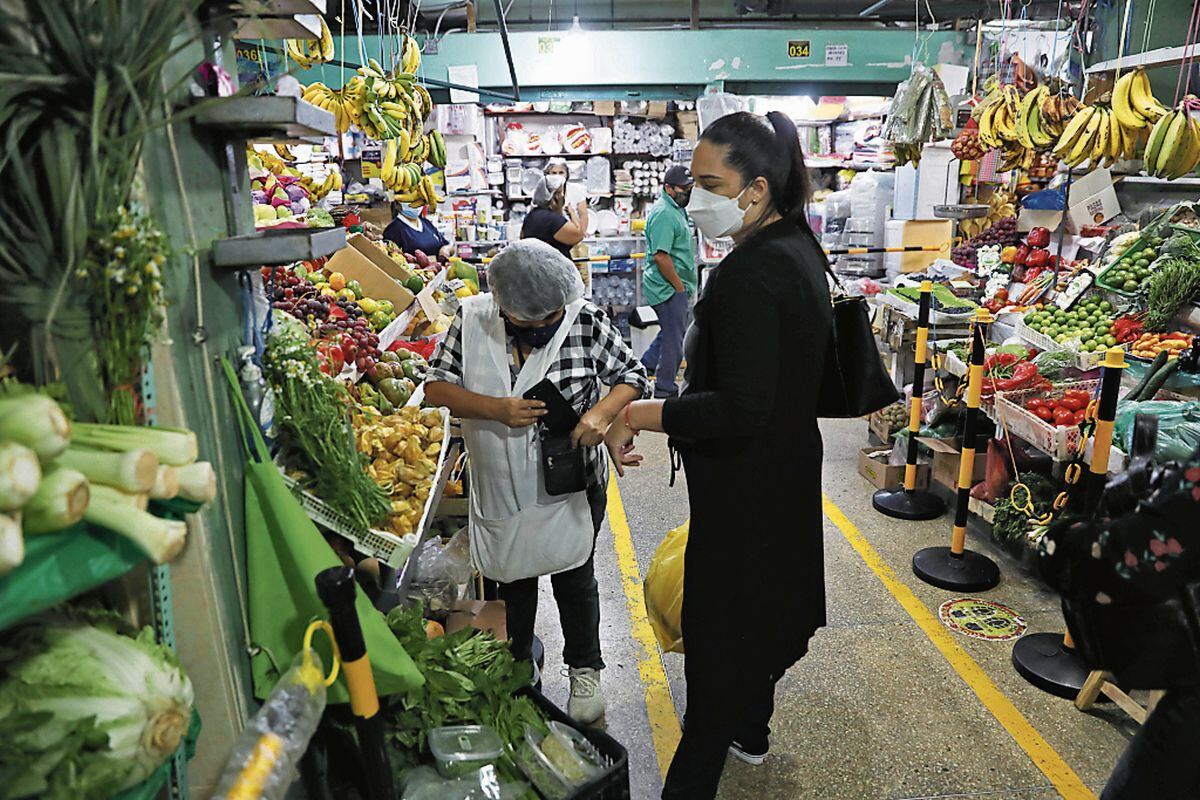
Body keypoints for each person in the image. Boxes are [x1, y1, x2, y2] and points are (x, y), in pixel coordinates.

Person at [604, 111, 833, 799]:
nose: (694, 196)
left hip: (746, 498)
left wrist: (635, 411)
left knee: (715, 672)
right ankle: (752, 731)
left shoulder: (749, 276)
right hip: (781, 475)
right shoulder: (796, 247)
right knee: (762, 627)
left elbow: (738, 407)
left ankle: (711, 751)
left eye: (709, 182)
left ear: (755, 190)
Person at [423, 238, 648, 725]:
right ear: (504, 308)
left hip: (571, 478)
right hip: (500, 480)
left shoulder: (582, 319)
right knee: (512, 577)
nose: (547, 325)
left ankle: (585, 670)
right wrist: (497, 410)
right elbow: (436, 387)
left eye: (553, 317)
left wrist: (601, 415)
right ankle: (518, 666)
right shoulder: (473, 318)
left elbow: (633, 374)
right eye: (534, 321)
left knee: (575, 576)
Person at [640, 165, 696, 398]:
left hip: (673, 284)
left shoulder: (675, 208)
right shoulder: (664, 213)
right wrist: (679, 287)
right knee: (675, 341)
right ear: (668, 188)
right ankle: (665, 389)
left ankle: (642, 368)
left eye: (690, 188)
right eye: (683, 188)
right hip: (668, 287)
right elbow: (661, 256)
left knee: (671, 331)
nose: (687, 192)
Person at [521, 173, 587, 260]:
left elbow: (522, 237)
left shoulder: (531, 216)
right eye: (561, 192)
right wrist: (571, 213)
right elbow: (578, 235)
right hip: (554, 268)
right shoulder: (552, 220)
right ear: (555, 196)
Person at [382, 202, 454, 260]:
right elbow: (390, 261)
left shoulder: (426, 223)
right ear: (398, 202)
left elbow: (448, 245)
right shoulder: (393, 230)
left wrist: (446, 249)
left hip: (438, 274)